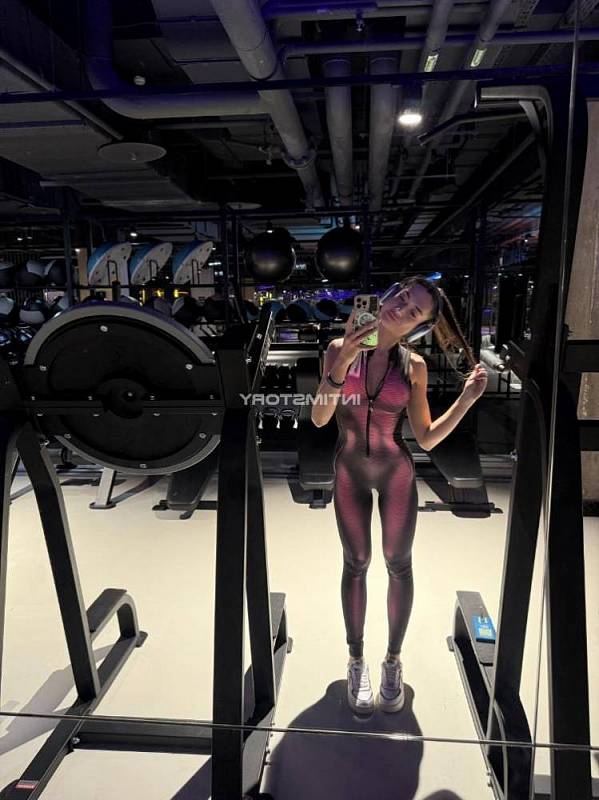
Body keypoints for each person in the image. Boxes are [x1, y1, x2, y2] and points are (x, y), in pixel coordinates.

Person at [311, 276, 488, 715]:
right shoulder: (338, 349)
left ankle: (392, 660)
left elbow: (425, 437)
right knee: (356, 562)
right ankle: (356, 660)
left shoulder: (414, 367)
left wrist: (466, 400)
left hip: (396, 471)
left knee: (398, 563)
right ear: (388, 293)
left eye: (414, 311)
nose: (401, 309)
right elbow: (319, 418)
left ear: (418, 327)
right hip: (349, 467)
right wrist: (344, 359)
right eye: (402, 297)